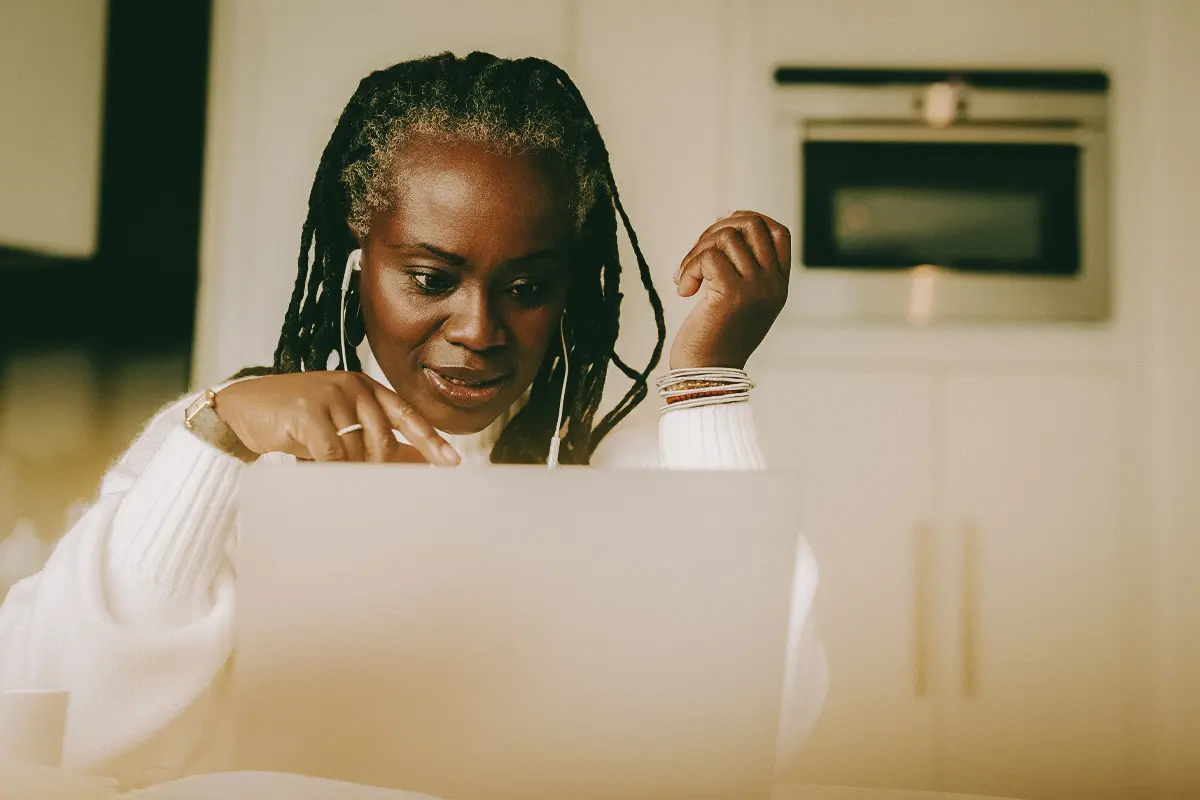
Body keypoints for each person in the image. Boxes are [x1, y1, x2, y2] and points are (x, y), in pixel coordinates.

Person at [0, 52, 826, 789]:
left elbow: (765, 731)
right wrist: (212, 440)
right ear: (358, 265)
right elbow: (68, 726)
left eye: (527, 288)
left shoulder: (635, 472)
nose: (478, 328)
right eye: (432, 279)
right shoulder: (225, 447)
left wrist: (708, 386)